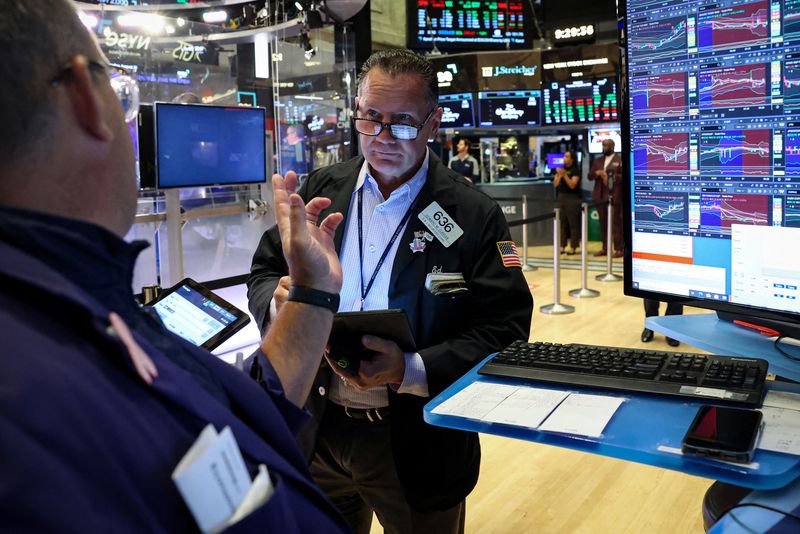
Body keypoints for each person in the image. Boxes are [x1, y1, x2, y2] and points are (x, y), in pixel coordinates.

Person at [0, 2, 350, 531]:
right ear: (85, 98)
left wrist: (312, 293)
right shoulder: (44, 381)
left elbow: (234, 427)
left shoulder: (72, 306)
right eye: (121, 93)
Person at [248, 49, 533, 534]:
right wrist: (283, 304)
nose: (381, 138)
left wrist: (410, 368)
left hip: (415, 439)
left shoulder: (472, 214)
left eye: (402, 123)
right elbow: (263, 272)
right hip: (317, 429)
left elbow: (506, 328)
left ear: (433, 122)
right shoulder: (322, 191)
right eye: (370, 119)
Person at [588, 138, 624, 257]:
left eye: (606, 146)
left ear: (612, 147)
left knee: (616, 223)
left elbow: (624, 176)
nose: (604, 148)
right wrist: (597, 173)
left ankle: (619, 249)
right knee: (603, 223)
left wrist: (611, 176)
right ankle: (605, 248)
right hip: (600, 195)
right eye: (603, 145)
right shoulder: (598, 160)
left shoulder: (619, 160)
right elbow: (589, 176)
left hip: (615, 196)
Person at [552, 150, 582, 255]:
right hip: (561, 197)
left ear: (572, 159)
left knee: (573, 223)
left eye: (567, 156)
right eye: (564, 156)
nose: (565, 158)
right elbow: (555, 184)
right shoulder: (560, 169)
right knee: (561, 223)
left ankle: (573, 246)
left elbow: (572, 185)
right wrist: (560, 175)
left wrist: (564, 175)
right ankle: (562, 245)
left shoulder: (575, 170)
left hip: (572, 198)